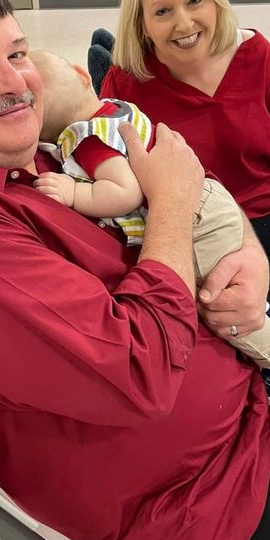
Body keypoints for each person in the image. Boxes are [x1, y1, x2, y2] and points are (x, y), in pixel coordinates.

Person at [0, 0, 269, 540]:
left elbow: (196, 192)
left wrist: (249, 260)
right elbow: (140, 370)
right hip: (213, 497)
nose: (14, 82)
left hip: (242, 401)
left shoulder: (34, 159)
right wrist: (176, 207)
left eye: (17, 54)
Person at [31, 49, 270, 368]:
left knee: (222, 306)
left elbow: (124, 192)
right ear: (84, 74)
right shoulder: (116, 109)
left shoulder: (87, 141)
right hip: (210, 196)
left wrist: (74, 192)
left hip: (194, 223)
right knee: (243, 284)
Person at [95, 0, 270, 263]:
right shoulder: (126, 83)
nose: (184, 24)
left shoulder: (259, 57)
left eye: (195, 1)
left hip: (261, 223)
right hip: (183, 231)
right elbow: (111, 175)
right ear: (141, 22)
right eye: (163, 12)